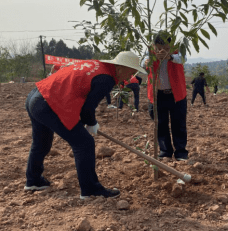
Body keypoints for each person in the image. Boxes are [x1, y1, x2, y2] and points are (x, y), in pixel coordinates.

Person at [24, 51, 146, 199]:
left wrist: (86, 121)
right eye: (131, 72)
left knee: (41, 142)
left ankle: (34, 180)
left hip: (35, 97)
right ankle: (90, 189)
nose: (130, 77)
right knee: (84, 143)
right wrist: (91, 122)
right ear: (120, 67)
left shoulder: (96, 66)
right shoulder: (106, 78)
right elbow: (87, 108)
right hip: (49, 103)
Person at [145, 32, 188, 161]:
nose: (161, 51)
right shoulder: (150, 51)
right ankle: (165, 151)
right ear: (154, 45)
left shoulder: (177, 50)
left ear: (171, 45)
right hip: (157, 95)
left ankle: (181, 152)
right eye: (159, 48)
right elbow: (143, 62)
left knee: (178, 124)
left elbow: (183, 59)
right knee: (160, 124)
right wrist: (147, 61)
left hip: (176, 95)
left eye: (165, 48)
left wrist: (170, 57)